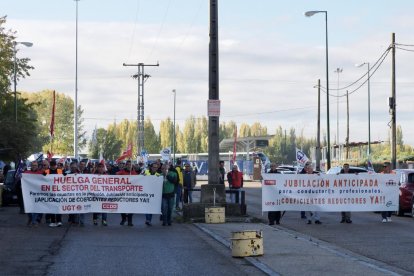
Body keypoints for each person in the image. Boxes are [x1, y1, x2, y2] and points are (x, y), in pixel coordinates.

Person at [43, 160, 64, 227]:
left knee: (58, 207)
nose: (53, 167)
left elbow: (66, 176)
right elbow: (41, 179)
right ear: (50, 165)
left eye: (54, 165)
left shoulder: (60, 171)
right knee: (52, 206)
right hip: (50, 192)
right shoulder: (46, 171)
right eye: (52, 165)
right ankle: (52, 221)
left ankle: (59, 221)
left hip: (58, 191)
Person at [117, 160, 137, 226]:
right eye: (128, 164)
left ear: (132, 165)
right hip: (123, 192)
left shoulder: (134, 172)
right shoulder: (122, 172)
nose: (129, 166)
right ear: (126, 165)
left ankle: (130, 221)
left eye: (130, 164)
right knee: (122, 206)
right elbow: (116, 176)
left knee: (131, 207)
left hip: (131, 193)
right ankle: (124, 218)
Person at [24, 161, 43, 226]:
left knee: (36, 207)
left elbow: (49, 178)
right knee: (28, 207)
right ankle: (31, 219)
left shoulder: (41, 172)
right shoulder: (26, 173)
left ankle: (34, 221)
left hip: (38, 193)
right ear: (31, 166)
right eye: (33, 165)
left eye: (35, 165)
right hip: (28, 193)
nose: (34, 166)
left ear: (37, 166)